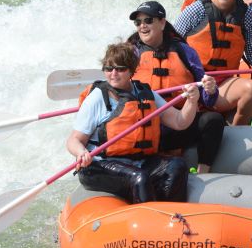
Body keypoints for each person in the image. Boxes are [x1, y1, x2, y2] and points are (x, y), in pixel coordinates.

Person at [66, 42, 199, 204]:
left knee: (177, 165)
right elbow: (74, 140)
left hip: (137, 161)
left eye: (120, 68)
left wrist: (192, 100)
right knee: (139, 178)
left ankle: (171, 215)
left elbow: (179, 122)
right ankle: (150, 221)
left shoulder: (144, 93)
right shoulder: (97, 98)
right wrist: (81, 152)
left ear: (131, 70)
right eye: (108, 69)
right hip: (98, 166)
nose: (113, 73)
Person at [126, 1, 222, 173]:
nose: (142, 26)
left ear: (162, 23)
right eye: (138, 22)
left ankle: (203, 172)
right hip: (144, 129)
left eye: (148, 20)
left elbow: (208, 100)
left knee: (213, 120)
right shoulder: (130, 53)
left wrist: (211, 89)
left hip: (179, 122)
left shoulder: (184, 51)